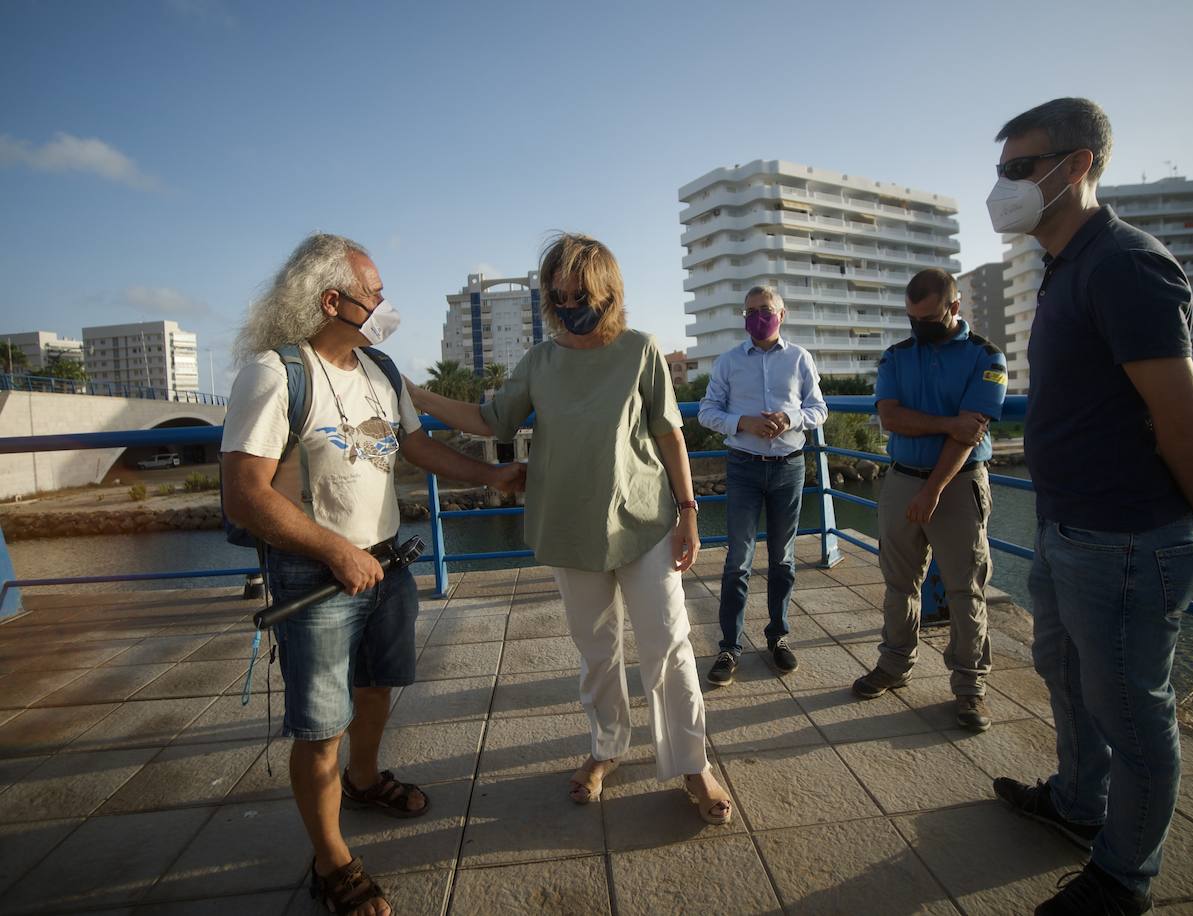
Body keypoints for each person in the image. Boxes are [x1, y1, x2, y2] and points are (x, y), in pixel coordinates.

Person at [984, 99, 1193, 916]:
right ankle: (1079, 804)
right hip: (1067, 526)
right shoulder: (1066, 267)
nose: (1001, 186)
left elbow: (1188, 419)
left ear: (1077, 166)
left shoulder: (1123, 265)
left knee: (1134, 716)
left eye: (1018, 168)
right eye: (1000, 170)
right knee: (1067, 677)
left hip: (1128, 539)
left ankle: (1123, 878)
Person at [222, 233, 523, 916]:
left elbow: (415, 447)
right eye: (374, 293)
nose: (385, 305)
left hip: (385, 563)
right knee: (320, 725)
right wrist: (335, 551)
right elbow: (245, 494)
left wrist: (493, 476)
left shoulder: (379, 367)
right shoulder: (275, 374)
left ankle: (362, 780)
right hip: (316, 577)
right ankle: (331, 860)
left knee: (378, 686)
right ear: (332, 300)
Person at [407, 232, 733, 824]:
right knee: (597, 652)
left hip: (645, 519)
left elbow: (668, 434)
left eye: (579, 295)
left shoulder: (640, 350)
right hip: (570, 525)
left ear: (607, 291)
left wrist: (689, 511)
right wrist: (410, 392)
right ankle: (607, 748)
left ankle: (692, 762)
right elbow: (490, 419)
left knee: (668, 645)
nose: (568, 306)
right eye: (558, 297)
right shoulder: (541, 360)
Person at [853, 269, 1006, 734]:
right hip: (902, 479)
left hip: (957, 485)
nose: (920, 327)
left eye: (929, 318)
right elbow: (891, 418)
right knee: (899, 582)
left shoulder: (986, 357)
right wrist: (946, 423)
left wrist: (933, 490)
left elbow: (970, 432)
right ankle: (895, 664)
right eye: (912, 319)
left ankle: (970, 687)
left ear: (954, 308)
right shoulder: (897, 356)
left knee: (965, 588)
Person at [697, 286, 827, 685]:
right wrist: (743, 422)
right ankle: (729, 647)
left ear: (781, 314)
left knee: (783, 559)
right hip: (743, 468)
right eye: (750, 311)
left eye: (765, 310)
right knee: (738, 560)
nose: (758, 317)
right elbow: (706, 411)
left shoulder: (800, 358)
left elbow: (819, 409)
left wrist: (790, 419)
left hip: (789, 467)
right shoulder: (729, 362)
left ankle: (778, 637)